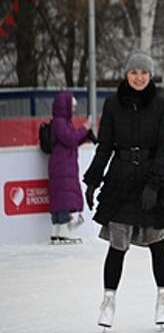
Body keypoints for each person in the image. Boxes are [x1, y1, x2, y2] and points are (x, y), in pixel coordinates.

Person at [83, 50, 164, 330]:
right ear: (126, 75)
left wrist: (154, 183)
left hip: (153, 174)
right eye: (133, 72)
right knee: (117, 245)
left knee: (157, 242)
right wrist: (93, 179)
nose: (138, 77)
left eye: (143, 72)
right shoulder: (113, 104)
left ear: (150, 75)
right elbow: (105, 146)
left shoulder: (161, 104)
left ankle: (163, 297)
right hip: (121, 179)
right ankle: (108, 300)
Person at [48, 92, 95, 244]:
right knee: (65, 197)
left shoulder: (62, 122)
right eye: (72, 106)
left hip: (63, 163)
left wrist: (85, 136)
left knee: (62, 196)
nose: (73, 110)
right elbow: (69, 138)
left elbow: (71, 140)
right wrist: (85, 127)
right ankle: (63, 231)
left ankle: (57, 231)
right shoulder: (60, 122)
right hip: (63, 165)